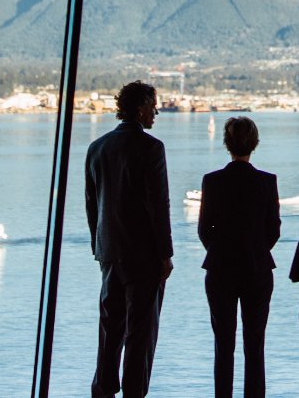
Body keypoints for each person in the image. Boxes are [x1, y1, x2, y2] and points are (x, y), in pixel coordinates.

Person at [86, 81, 174, 398]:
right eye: (153, 106)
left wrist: (100, 249)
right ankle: (134, 393)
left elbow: (91, 204)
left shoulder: (97, 147)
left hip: (109, 253)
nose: (157, 111)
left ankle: (103, 390)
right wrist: (165, 254)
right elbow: (158, 205)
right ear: (140, 109)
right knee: (141, 332)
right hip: (145, 256)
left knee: (109, 329)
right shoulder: (152, 148)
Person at [198, 117, 280, 398]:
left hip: (220, 269)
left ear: (226, 143)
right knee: (255, 346)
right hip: (257, 269)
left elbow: (203, 229)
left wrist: (220, 249)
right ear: (254, 143)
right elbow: (273, 230)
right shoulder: (267, 182)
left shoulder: (212, 181)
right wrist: (256, 248)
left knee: (223, 345)